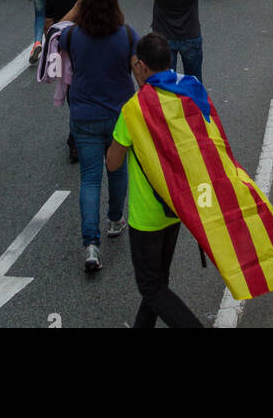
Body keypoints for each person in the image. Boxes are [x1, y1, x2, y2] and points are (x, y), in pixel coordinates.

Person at [106, 32, 204, 328]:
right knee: (158, 282)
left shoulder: (135, 109)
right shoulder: (187, 94)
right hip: (176, 207)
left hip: (146, 216)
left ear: (142, 66)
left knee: (152, 287)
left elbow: (113, 162)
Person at [57, 0, 138, 273]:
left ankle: (90, 244)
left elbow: (54, 32)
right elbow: (140, 69)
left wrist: (75, 8)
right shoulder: (127, 35)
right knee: (117, 170)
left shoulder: (73, 36)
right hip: (120, 115)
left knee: (89, 180)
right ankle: (115, 218)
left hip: (84, 115)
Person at [44, 0, 91, 165]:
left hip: (65, 48)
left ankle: (75, 139)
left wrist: (52, 43)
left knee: (72, 93)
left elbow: (48, 22)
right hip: (87, 45)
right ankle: (80, 137)